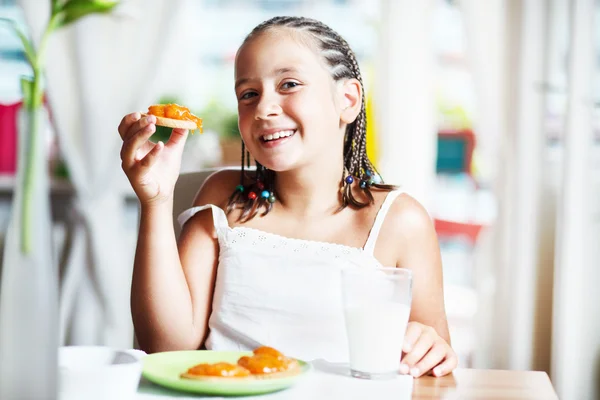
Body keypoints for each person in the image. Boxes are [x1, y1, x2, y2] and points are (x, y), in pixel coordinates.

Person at [118, 16, 457, 378]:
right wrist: (156, 201)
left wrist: (430, 349)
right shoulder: (225, 199)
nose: (264, 109)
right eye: (248, 94)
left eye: (289, 84)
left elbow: (434, 361)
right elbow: (165, 348)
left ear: (347, 99)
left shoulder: (399, 222)